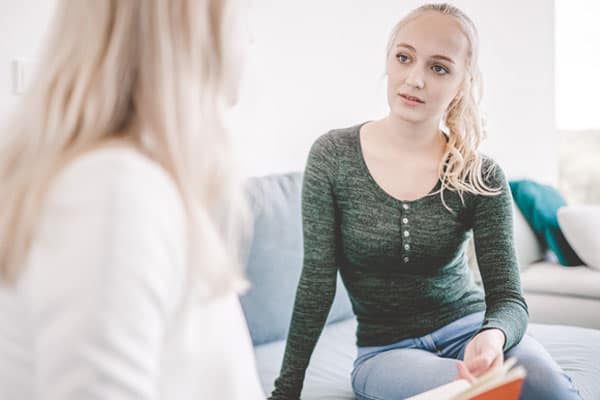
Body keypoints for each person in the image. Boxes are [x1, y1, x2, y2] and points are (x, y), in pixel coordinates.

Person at [269, 3, 581, 400]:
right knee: (471, 393)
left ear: (462, 84)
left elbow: (507, 299)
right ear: (388, 61)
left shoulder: (480, 175)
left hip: (471, 329)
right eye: (404, 58)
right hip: (387, 352)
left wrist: (492, 335)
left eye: (438, 68)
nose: (414, 79)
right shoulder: (333, 156)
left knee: (547, 386)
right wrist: (285, 391)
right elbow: (316, 284)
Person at [0, 1, 264, 399]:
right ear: (193, 29)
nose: (250, 37)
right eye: (239, 15)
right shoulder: (113, 190)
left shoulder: (132, 180)